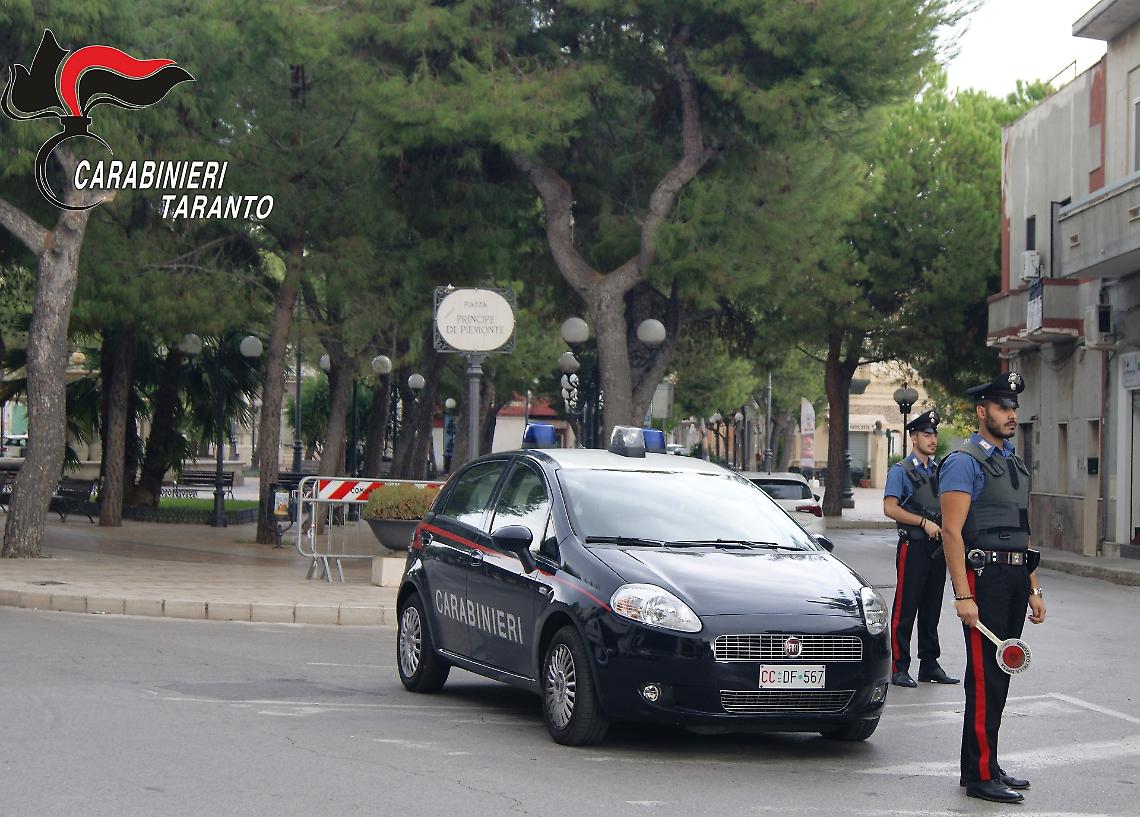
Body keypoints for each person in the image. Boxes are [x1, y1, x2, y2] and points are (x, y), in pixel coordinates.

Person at [939, 372, 1047, 804]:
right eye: (1003, 408)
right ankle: (980, 773)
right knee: (984, 677)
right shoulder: (964, 461)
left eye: (1014, 408)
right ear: (982, 411)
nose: (1011, 415)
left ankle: (985, 763)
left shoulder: (1015, 462)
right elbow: (951, 531)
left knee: (1001, 672)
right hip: (984, 579)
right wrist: (964, 594)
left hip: (1016, 578)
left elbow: (1024, 532)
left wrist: (1035, 588)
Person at [883, 409, 958, 688]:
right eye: (927, 434)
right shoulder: (900, 471)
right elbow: (890, 508)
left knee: (931, 608)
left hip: (938, 549)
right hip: (913, 546)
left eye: (934, 434)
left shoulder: (940, 471)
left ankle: (929, 664)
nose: (932, 439)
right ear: (913, 438)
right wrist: (923, 522)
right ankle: (899, 666)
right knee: (906, 608)